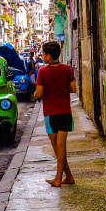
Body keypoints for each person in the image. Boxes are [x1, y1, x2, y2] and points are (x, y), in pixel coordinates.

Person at [33, 41, 76, 187]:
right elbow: (73, 88)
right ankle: (68, 176)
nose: (42, 56)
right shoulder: (66, 69)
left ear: (48, 56)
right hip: (65, 113)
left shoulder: (43, 72)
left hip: (51, 115)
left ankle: (58, 178)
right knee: (61, 147)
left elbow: (38, 94)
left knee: (57, 148)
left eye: (44, 54)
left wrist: (35, 95)